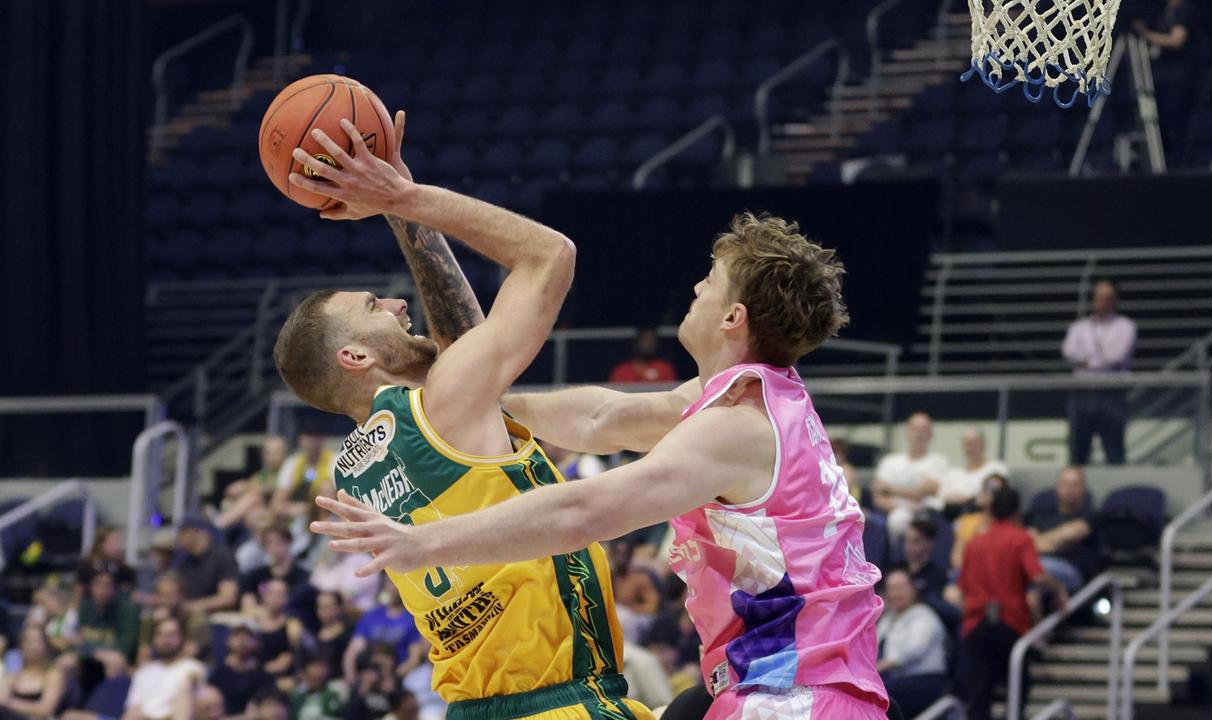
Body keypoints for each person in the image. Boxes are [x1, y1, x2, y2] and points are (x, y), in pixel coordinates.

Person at [312, 210, 891, 718]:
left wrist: (424, 543)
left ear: (732, 317)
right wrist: (474, 391)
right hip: (779, 687)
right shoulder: (736, 398)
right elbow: (599, 418)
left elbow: (582, 511)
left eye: (708, 282)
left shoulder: (736, 427)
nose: (695, 285)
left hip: (795, 696)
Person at [277, 109, 651, 719]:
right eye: (375, 306)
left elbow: (459, 347)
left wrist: (394, 202)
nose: (399, 304)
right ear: (354, 355)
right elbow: (549, 256)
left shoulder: (354, 470)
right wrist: (406, 195)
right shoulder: (444, 403)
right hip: (554, 703)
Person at [955, 487, 1070, 720]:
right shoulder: (1020, 538)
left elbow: (962, 587)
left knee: (979, 696)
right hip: (1010, 622)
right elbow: (1037, 577)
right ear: (1017, 511)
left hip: (976, 624)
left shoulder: (975, 542)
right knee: (1017, 688)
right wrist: (1059, 589)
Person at [1061, 278, 1136, 465]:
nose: (1103, 302)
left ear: (1115, 300)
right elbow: (1068, 352)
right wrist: (1098, 362)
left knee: (1114, 450)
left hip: (1112, 394)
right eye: (1099, 297)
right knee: (1078, 449)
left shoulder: (1126, 326)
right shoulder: (1079, 327)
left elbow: (1116, 357)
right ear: (1093, 299)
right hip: (1083, 394)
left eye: (1108, 298)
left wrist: (1087, 363)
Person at [876, 570, 947, 718]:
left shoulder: (924, 615)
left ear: (913, 589)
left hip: (924, 680)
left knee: (879, 691)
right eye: (892, 589)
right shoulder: (887, 619)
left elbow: (915, 649)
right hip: (894, 678)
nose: (897, 593)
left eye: (901, 587)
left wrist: (881, 666)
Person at [1133, 0, 1199, 159]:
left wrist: (1146, 34)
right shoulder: (1164, 10)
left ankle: (1179, 165)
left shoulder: (1184, 8)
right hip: (1162, 76)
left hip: (1178, 78)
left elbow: (1177, 40)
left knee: (1176, 128)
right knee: (1163, 127)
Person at [873, 412, 950, 541]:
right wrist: (904, 504)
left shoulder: (939, 462)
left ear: (931, 434)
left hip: (927, 515)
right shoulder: (890, 461)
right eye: (915, 429)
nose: (919, 434)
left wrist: (890, 489)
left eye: (924, 430)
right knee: (897, 519)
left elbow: (920, 493)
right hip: (896, 512)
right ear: (907, 432)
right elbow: (878, 496)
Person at [1026, 466, 1099, 593]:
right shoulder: (1043, 515)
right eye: (1065, 484)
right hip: (1040, 567)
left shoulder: (1090, 515)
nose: (1070, 489)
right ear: (1057, 487)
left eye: (1075, 485)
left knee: (1037, 569)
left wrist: (1040, 541)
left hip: (1073, 569)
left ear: (1084, 489)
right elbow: (1027, 543)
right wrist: (1056, 541)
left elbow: (1073, 533)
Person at [123, 617, 205, 720]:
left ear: (182, 637)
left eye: (171, 635)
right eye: (160, 634)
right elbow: (133, 709)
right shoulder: (143, 672)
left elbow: (196, 705)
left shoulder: (192, 668)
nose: (165, 640)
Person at [339, 578, 417, 685]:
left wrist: (392, 679)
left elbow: (414, 658)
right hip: (368, 672)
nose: (394, 587)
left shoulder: (413, 618)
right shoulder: (371, 615)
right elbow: (353, 650)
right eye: (390, 583)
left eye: (397, 583)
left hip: (399, 675)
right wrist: (352, 676)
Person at [216, 436, 288, 532]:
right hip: (263, 511)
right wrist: (243, 485)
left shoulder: (289, 471)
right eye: (268, 453)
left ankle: (220, 523)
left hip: (281, 514)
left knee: (252, 498)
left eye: (276, 453)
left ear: (284, 454)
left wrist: (246, 486)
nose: (271, 457)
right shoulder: (265, 473)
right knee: (244, 506)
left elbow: (270, 488)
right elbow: (252, 484)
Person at [173, 517, 240, 614]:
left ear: (197, 532)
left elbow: (228, 598)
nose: (179, 538)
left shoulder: (222, 556)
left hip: (218, 615)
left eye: (183, 532)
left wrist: (194, 606)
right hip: (187, 613)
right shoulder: (184, 561)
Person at [139, 572, 210, 662]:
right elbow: (143, 655)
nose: (164, 600)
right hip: (160, 666)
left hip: (192, 666)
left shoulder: (196, 619)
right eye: (160, 594)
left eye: (170, 595)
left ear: (182, 595)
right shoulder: (150, 620)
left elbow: (189, 653)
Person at [207, 625, 273, 720]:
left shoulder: (264, 677)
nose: (242, 641)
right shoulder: (218, 675)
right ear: (228, 641)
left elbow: (258, 712)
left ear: (257, 643)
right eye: (237, 636)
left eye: (248, 637)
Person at [0, 626, 66, 719]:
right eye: (28, 641)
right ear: (21, 646)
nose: (33, 646)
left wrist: (11, 703)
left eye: (38, 641)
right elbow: (2, 699)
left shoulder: (54, 674)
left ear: (46, 645)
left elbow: (45, 709)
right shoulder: (15, 672)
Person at [939, 427, 1008, 516]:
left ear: (984, 444)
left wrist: (966, 500)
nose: (971, 447)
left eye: (975, 443)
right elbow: (941, 499)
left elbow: (992, 497)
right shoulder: (952, 473)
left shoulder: (997, 469)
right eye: (967, 444)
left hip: (982, 518)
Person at [271, 432, 336, 524]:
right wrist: (298, 509)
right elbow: (277, 504)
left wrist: (309, 509)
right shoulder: (292, 463)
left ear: (323, 439)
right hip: (299, 518)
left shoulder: (335, 461)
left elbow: (336, 497)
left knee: (326, 488)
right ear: (301, 439)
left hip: (326, 514)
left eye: (316, 437)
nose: (312, 442)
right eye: (308, 437)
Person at [949, 474, 1010, 572]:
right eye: (984, 488)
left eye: (992, 490)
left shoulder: (1009, 524)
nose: (984, 492)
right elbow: (957, 558)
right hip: (968, 573)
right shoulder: (966, 521)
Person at [888, 518, 948, 601]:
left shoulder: (937, 574)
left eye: (915, 541)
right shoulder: (895, 568)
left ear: (929, 543)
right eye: (907, 540)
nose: (908, 546)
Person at [609, 328, 678, 384]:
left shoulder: (664, 369)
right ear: (636, 343)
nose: (648, 344)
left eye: (651, 341)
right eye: (645, 340)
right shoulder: (621, 371)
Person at [289, 655, 348, 720]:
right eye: (312, 678)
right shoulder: (297, 694)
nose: (318, 671)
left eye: (322, 666)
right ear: (304, 673)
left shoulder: (336, 690)